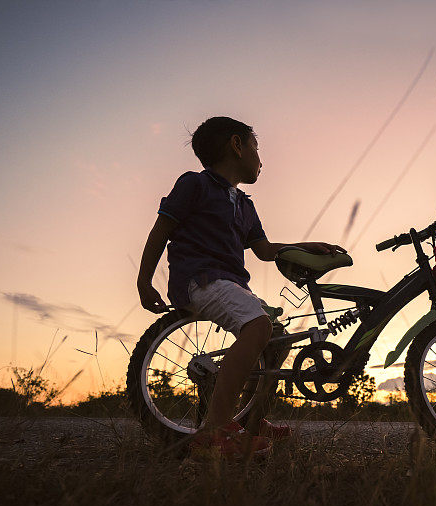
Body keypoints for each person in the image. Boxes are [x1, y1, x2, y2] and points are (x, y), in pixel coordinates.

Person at [136, 116, 345, 459]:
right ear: (237, 145)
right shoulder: (194, 184)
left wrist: (307, 245)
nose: (261, 159)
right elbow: (160, 230)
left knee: (274, 339)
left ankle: (251, 421)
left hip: (232, 285)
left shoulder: (245, 205)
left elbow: (263, 251)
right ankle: (215, 428)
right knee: (258, 326)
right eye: (256, 148)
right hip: (200, 279)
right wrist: (144, 282)